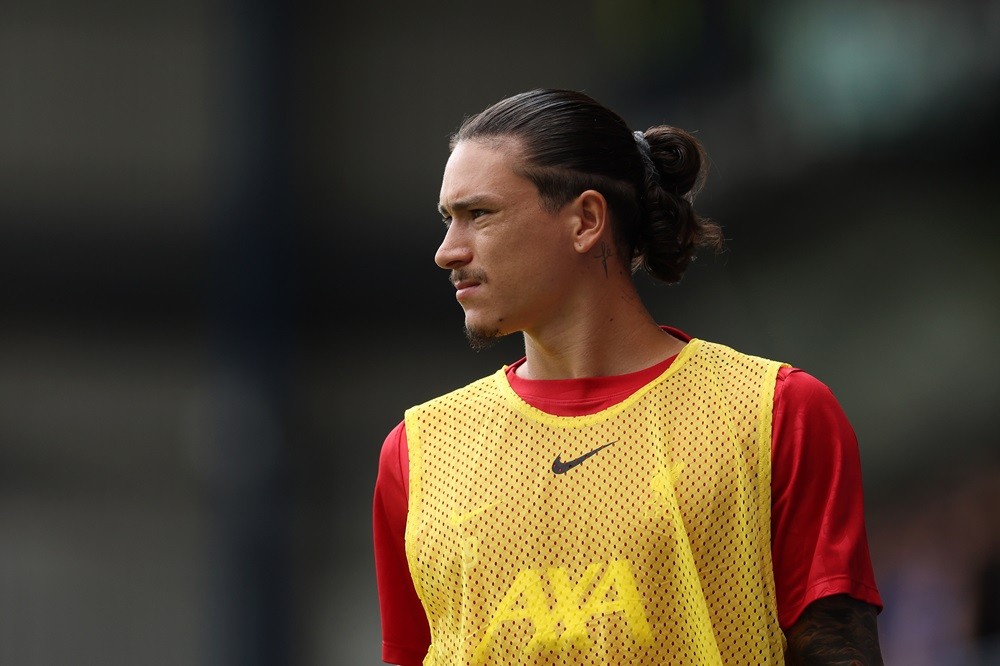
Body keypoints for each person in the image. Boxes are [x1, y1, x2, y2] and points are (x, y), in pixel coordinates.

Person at [373, 89, 883, 665]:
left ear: (586, 220)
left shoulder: (774, 413)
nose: (447, 251)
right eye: (448, 219)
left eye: (478, 215)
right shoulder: (417, 452)